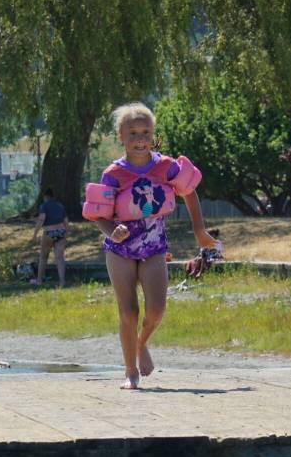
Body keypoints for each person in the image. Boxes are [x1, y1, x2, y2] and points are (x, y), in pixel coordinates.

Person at [83, 102, 218, 390]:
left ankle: (141, 343)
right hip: (120, 249)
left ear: (153, 134)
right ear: (121, 136)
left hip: (154, 246)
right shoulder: (113, 174)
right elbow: (99, 214)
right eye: (133, 133)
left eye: (145, 132)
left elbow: (189, 194)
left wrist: (200, 231)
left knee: (156, 309)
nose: (140, 138)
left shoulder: (166, 167)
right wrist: (111, 230)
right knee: (129, 311)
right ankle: (130, 371)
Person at [31, 187, 68, 288]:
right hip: (61, 231)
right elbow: (65, 221)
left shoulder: (44, 206)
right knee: (60, 258)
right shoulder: (60, 206)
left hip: (49, 232)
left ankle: (39, 280)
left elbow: (41, 219)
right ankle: (62, 281)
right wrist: (66, 233)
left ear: (45, 197)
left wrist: (35, 234)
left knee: (43, 257)